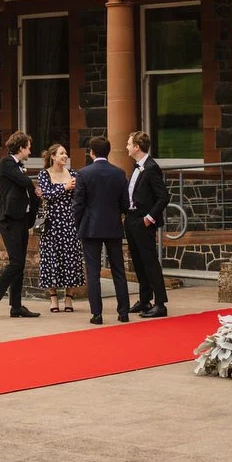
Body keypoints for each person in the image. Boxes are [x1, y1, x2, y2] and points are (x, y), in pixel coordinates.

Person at [0, 131, 41, 320]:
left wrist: (35, 199)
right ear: (21, 147)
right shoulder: (7, 163)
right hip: (9, 220)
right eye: (29, 147)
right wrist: (35, 187)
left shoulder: (19, 166)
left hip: (22, 220)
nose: (30, 151)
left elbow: (29, 191)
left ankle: (16, 306)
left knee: (20, 263)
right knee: (15, 262)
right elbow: (24, 182)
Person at [73, 136, 131, 325]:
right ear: (108, 152)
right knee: (118, 270)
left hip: (90, 226)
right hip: (113, 225)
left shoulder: (83, 174)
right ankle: (124, 312)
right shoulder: (119, 173)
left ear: (91, 152)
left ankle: (97, 314)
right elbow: (125, 203)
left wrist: (78, 224)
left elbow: (78, 204)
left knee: (93, 272)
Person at [124, 130, 170, 318]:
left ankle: (160, 303)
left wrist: (149, 218)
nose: (126, 147)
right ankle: (144, 301)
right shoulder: (137, 167)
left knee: (150, 262)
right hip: (132, 219)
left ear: (136, 147)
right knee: (138, 262)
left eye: (129, 144)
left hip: (143, 221)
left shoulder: (151, 167)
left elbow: (163, 197)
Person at [34, 143, 84, 312]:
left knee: (71, 257)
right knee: (51, 258)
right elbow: (46, 194)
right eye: (61, 153)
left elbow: (80, 196)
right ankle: (53, 298)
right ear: (53, 156)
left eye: (66, 153)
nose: (65, 156)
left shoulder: (73, 174)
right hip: (51, 223)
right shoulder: (44, 174)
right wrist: (64, 187)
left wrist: (75, 189)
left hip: (70, 221)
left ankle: (69, 298)